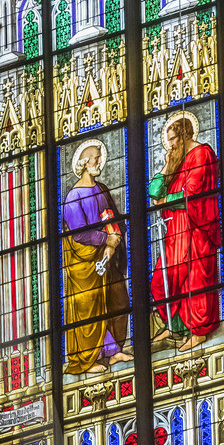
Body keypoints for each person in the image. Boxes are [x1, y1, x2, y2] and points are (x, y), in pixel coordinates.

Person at [149, 108, 222, 341]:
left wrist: (166, 201)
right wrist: (167, 166)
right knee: (161, 282)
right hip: (176, 232)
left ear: (185, 135)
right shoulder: (176, 161)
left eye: (172, 139)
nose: (168, 145)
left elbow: (192, 193)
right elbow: (154, 192)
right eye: (167, 140)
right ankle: (175, 326)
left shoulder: (202, 154)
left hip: (197, 227)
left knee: (195, 280)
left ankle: (198, 331)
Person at [60, 137, 129, 377]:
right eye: (95, 157)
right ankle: (88, 359)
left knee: (115, 301)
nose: (99, 160)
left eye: (99, 156)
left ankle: (112, 349)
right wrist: (105, 240)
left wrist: (115, 237)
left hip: (106, 258)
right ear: (83, 162)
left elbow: (111, 217)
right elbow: (80, 235)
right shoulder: (73, 197)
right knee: (90, 309)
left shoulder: (101, 189)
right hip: (85, 264)